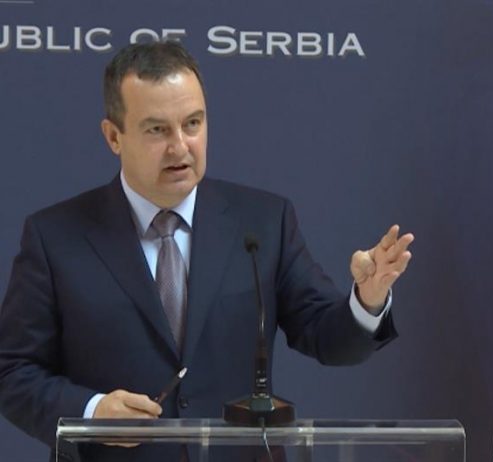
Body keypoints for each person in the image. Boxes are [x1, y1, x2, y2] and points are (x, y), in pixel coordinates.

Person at [0, 41, 413, 462]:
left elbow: (331, 340)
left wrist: (367, 300)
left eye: (192, 124)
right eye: (157, 130)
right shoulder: (56, 237)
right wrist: (91, 412)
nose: (180, 147)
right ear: (113, 136)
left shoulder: (263, 222)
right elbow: (11, 372)